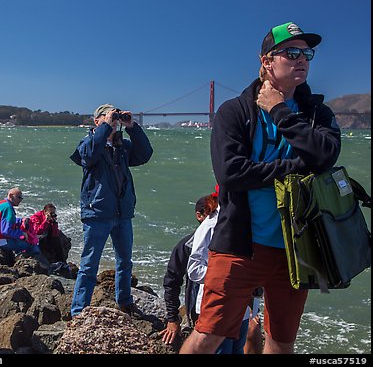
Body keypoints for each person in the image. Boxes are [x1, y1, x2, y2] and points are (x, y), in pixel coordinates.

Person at [179, 22, 341, 354]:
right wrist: (297, 167)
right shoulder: (235, 112)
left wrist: (280, 111)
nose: (302, 60)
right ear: (266, 61)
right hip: (241, 244)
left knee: (281, 342)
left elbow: (324, 157)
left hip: (297, 249)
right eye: (291, 52)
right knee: (207, 337)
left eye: (307, 53)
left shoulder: (316, 113)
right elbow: (231, 174)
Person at [69, 103, 153, 317]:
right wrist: (106, 126)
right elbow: (87, 157)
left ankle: (124, 302)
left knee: (125, 261)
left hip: (121, 213)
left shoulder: (122, 147)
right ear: (96, 121)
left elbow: (145, 154)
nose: (114, 122)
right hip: (97, 213)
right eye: (108, 117)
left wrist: (132, 126)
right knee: (89, 264)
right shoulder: (88, 143)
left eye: (115, 119)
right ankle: (78, 311)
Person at [185, 193, 261, 354]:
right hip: (217, 305)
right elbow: (194, 269)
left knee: (237, 350)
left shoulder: (249, 222)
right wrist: (228, 279)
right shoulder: (211, 224)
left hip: (243, 308)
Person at [158, 194, 214, 346]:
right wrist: (172, 319)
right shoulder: (186, 246)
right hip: (199, 309)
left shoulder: (231, 241)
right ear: (199, 216)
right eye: (211, 214)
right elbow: (171, 281)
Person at [0, 188, 49, 267]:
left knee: (21, 241)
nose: (20, 200)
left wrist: (21, 220)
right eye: (19, 197)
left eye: (21, 198)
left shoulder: (1, 204)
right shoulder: (8, 208)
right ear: (11, 196)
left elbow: (5, 221)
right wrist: (22, 234)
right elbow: (6, 231)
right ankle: (45, 267)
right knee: (31, 245)